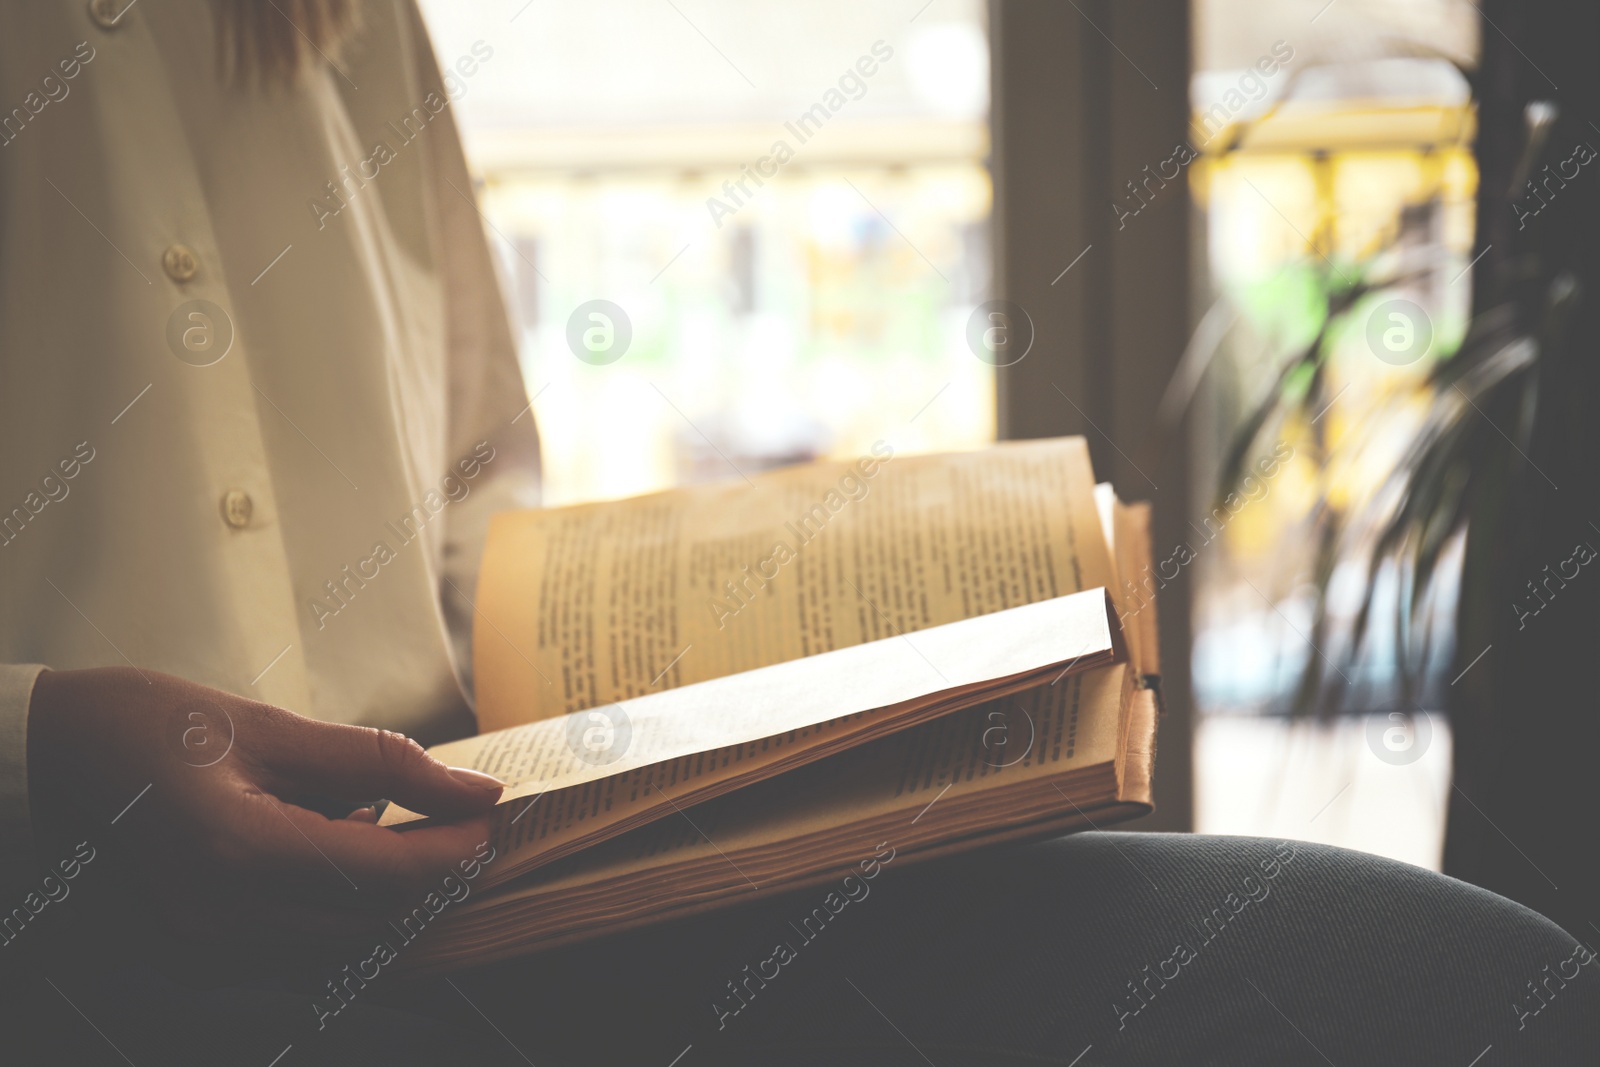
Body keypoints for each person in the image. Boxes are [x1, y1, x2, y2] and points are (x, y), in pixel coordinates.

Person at [0, 2, 1593, 1064]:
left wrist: (730, 657)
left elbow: (478, 483)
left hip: (483, 884)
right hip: (77, 942)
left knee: (1454, 986)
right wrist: (32, 740)